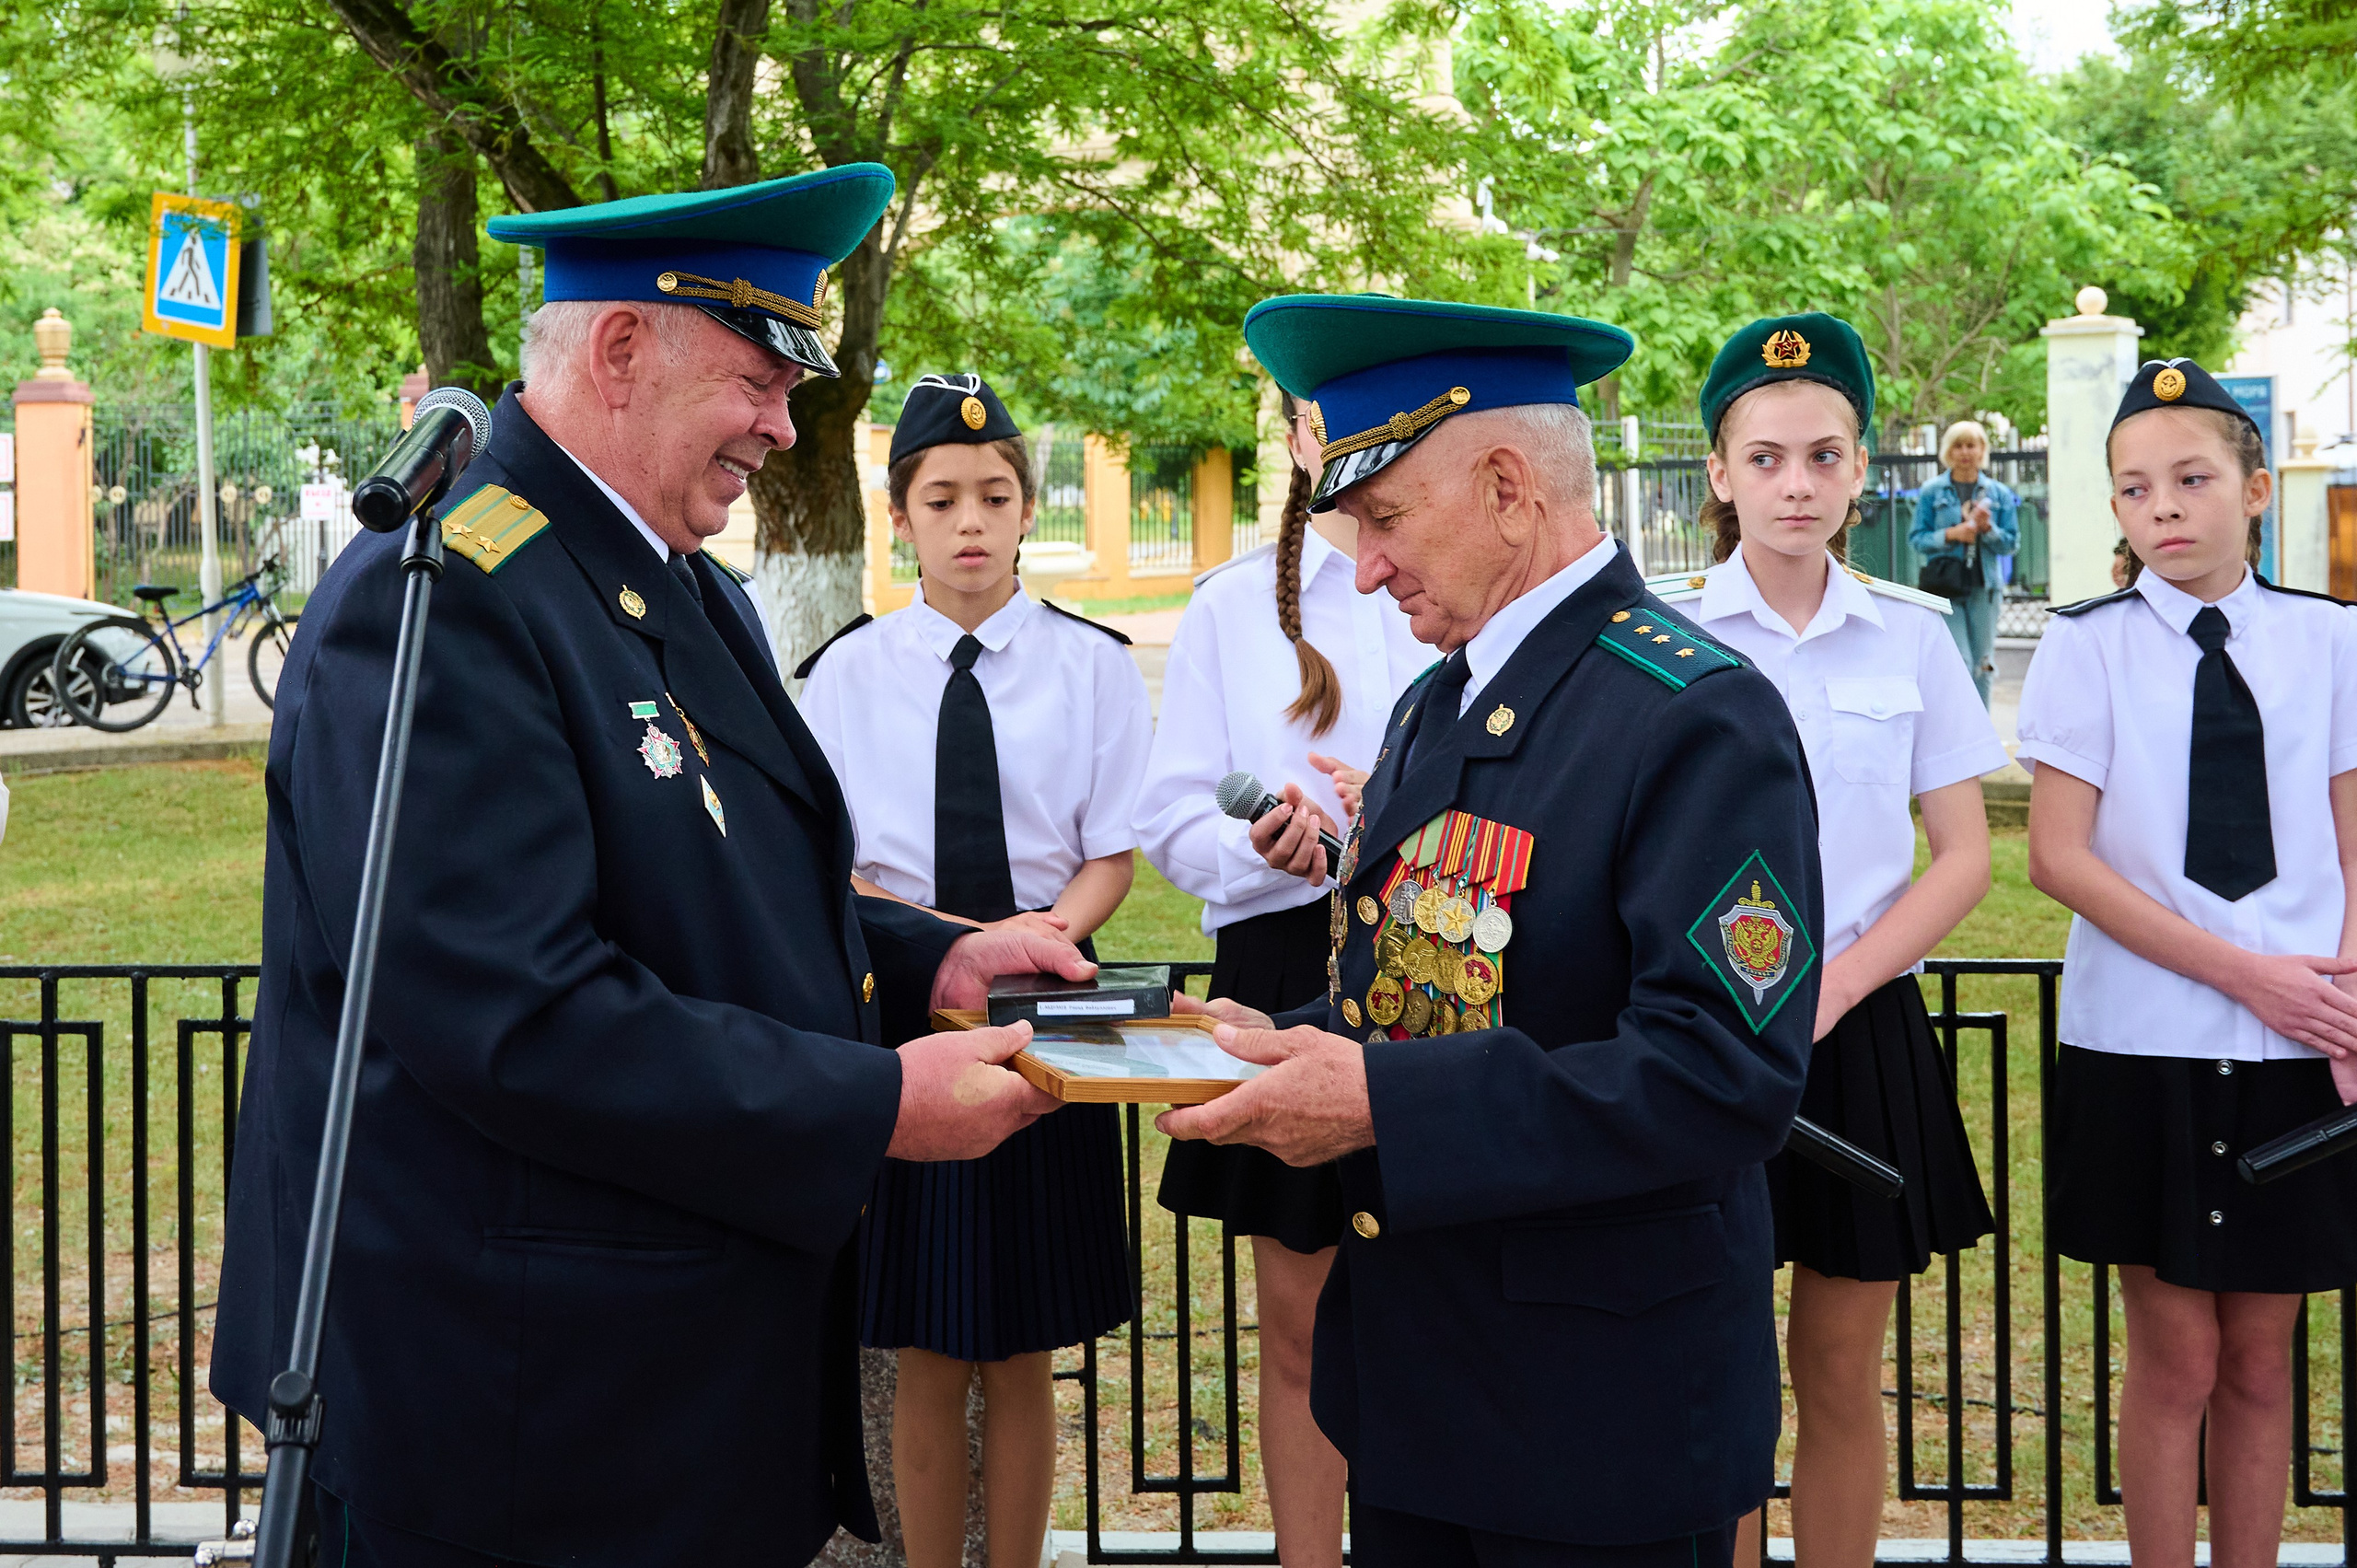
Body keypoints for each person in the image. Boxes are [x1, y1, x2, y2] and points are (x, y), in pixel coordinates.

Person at [210, 168, 1091, 1568]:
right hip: (517, 1416)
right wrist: (869, 1102)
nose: (782, 425)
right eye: (755, 378)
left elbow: (709, 879)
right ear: (622, 351)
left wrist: (934, 957)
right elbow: (515, 1014)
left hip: (655, 1392)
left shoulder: (679, 581)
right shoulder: (443, 590)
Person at [1158, 294, 1824, 1568]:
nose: (1363, 565)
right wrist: (1279, 1043)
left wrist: (1375, 1107)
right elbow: (1426, 998)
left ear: (1510, 485)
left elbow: (1722, 1076)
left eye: (1387, 518)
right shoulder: (1436, 702)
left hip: (1598, 1431)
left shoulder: (1696, 716)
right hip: (1425, 1395)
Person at [1660, 315, 2003, 1568]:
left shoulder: (1912, 634)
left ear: (1863, 470)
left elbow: (1964, 851)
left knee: (1844, 1364)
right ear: (1718, 470)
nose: (1795, 483)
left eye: (1823, 455)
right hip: (1698, 1032)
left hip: (1856, 1032)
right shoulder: (1665, 633)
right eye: (1765, 457)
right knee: (1720, 1356)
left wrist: (1839, 984)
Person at [797, 372, 1150, 1568]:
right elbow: (831, 867)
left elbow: (1112, 849)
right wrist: (938, 940)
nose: (970, 520)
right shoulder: (846, 673)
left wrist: (1051, 928)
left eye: (995, 494)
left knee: (1022, 1340)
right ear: (900, 515)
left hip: (1051, 999)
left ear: (1025, 509)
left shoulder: (1092, 663)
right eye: (941, 496)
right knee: (924, 1338)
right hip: (913, 1012)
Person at [2020, 357, 2357, 1568]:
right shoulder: (2087, 646)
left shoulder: (2330, 639)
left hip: (2296, 1040)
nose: (2162, 505)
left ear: (2257, 488)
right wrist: (2242, 969)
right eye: (2133, 487)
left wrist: (2341, 999)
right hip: (2141, 1037)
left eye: (2192, 478)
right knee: (2176, 1353)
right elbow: (2059, 855)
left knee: (2265, 1352)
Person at [1132, 387, 1430, 1567]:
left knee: (1431, 1311)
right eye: (1323, 421)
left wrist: (1395, 812)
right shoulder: (1228, 604)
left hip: (1437, 964)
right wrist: (1260, 849)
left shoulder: (1465, 596)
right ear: (1302, 443)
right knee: (1300, 1321)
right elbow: (1171, 808)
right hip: (1283, 951)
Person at [1910, 419, 2021, 704]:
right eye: (1958, 446)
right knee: (1960, 658)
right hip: (1945, 585)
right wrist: (1952, 534)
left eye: (1971, 445)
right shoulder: (1932, 491)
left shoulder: (1997, 494)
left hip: (1984, 588)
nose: (1965, 452)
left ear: (1982, 449)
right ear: (1948, 451)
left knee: (1983, 662)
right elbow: (1916, 539)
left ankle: (1982, 729)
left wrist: (1988, 529)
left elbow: (2011, 543)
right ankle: (1961, 731)